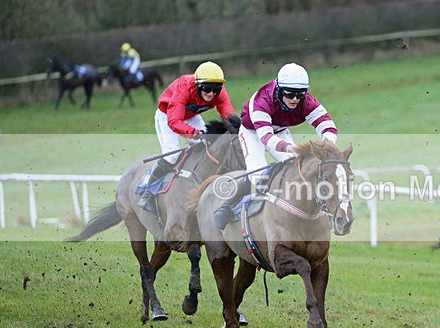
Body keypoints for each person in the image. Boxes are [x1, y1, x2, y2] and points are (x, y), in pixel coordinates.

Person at [213, 62, 338, 229]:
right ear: (279, 90)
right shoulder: (262, 100)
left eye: (300, 94)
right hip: (253, 133)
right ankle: (227, 205)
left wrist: (327, 143)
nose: (295, 99)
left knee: (297, 168)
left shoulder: (306, 102)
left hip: (278, 130)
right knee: (258, 176)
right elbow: (266, 138)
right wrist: (289, 148)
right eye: (290, 94)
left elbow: (328, 126)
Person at [137, 61, 235, 211]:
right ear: (198, 85)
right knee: (172, 155)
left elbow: (229, 118)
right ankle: (148, 190)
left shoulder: (219, 93)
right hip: (167, 116)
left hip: (191, 116)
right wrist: (196, 134)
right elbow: (174, 121)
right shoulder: (184, 87)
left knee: (208, 146)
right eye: (208, 89)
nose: (211, 93)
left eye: (216, 89)